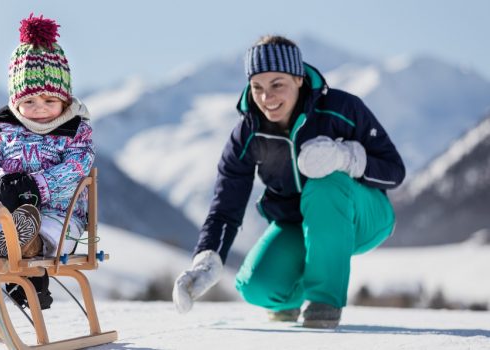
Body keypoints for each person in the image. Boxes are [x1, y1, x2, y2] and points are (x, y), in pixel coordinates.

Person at [172, 35, 405, 328]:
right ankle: (292, 298)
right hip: (298, 223)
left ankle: (324, 303)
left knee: (324, 184)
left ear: (298, 79)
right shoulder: (248, 133)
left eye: (277, 84)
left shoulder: (341, 108)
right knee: (256, 286)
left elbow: (394, 171)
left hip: (365, 215)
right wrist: (207, 259)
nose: (266, 97)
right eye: (257, 87)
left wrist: (346, 157)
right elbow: (225, 205)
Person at [0, 14, 94, 310]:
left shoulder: (75, 131)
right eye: (29, 102)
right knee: (2, 227)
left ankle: (26, 244)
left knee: (41, 232)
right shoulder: (1, 129)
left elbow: (79, 166)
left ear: (64, 101)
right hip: (4, 212)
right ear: (16, 102)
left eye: (49, 101)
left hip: (59, 214)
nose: (39, 109)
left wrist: (37, 186)